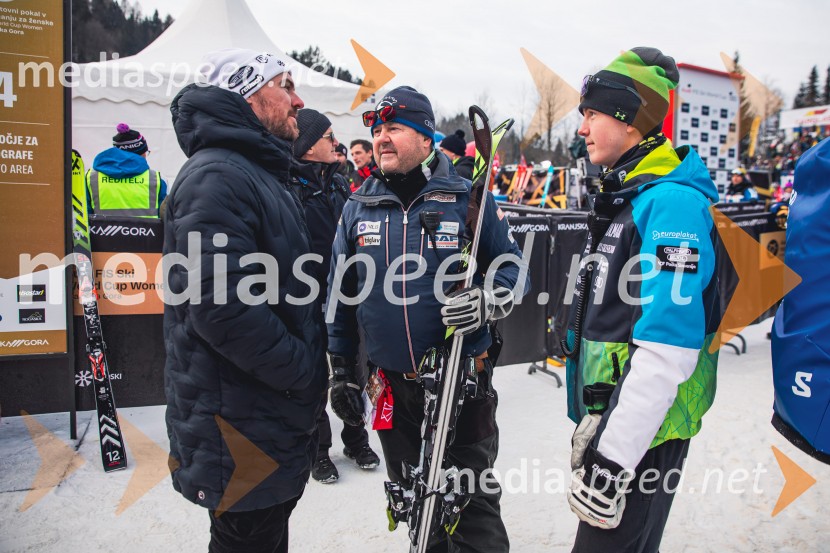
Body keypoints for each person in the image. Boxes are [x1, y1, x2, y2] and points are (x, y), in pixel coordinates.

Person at [326, 86, 529, 552]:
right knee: (418, 504)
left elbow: (514, 268)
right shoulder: (358, 207)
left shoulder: (466, 199)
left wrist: (488, 297)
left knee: (473, 509)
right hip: (392, 390)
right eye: (377, 130)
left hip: (461, 382)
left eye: (394, 128)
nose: (381, 138)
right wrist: (341, 372)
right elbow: (340, 297)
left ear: (425, 138)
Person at [163, 48, 326, 553]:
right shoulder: (218, 176)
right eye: (286, 85)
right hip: (240, 426)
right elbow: (220, 308)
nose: (298, 100)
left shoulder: (252, 171)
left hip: (260, 415)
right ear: (248, 95)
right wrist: (304, 371)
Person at [564, 47, 721, 553]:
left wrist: (612, 459)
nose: (582, 129)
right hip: (623, 423)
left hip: (645, 433)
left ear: (630, 119)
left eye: (592, 114)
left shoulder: (671, 202)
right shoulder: (631, 193)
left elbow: (667, 346)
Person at [290, 108, 380, 484]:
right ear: (309, 147)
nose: (336, 142)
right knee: (314, 378)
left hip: (345, 296)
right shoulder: (289, 186)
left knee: (350, 371)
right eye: (328, 137)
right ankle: (318, 450)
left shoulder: (340, 182)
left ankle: (356, 438)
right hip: (307, 297)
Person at [85, 123, 167, 217]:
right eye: (145, 152)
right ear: (140, 154)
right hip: (147, 231)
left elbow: (83, 214)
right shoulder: (157, 179)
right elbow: (166, 216)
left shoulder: (90, 178)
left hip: (100, 231)